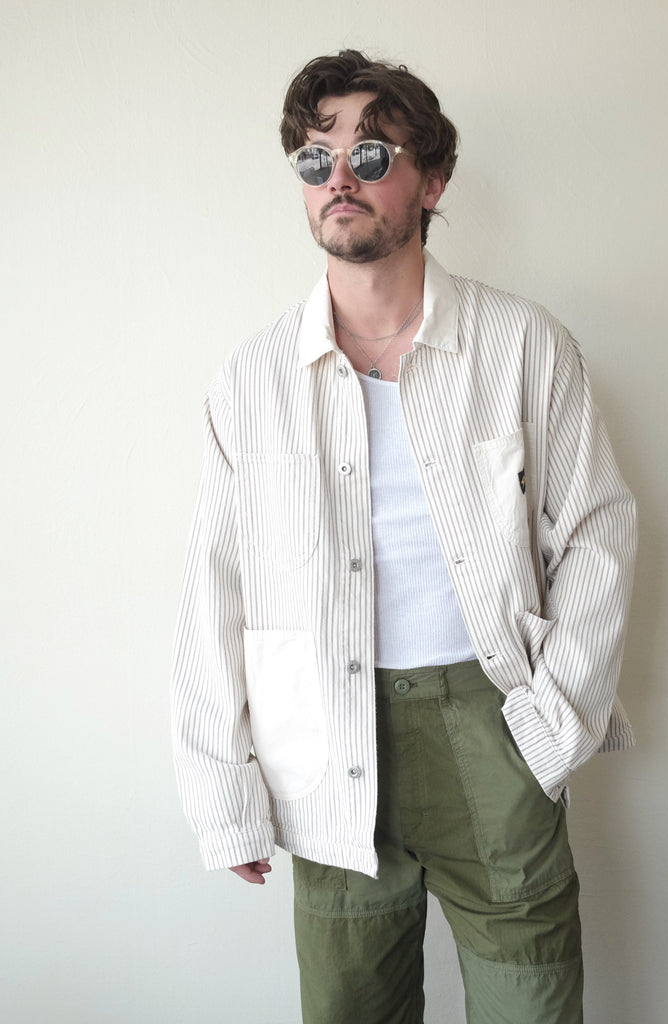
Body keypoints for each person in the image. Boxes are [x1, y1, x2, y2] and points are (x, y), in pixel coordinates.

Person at [172, 49, 637, 1024]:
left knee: (531, 1003)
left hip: (493, 726)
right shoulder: (253, 380)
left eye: (372, 153)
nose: (338, 176)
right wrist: (225, 789)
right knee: (352, 1010)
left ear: (431, 181)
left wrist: (551, 727)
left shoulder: (522, 345)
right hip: (325, 739)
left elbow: (598, 531)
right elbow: (215, 586)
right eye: (316, 157)